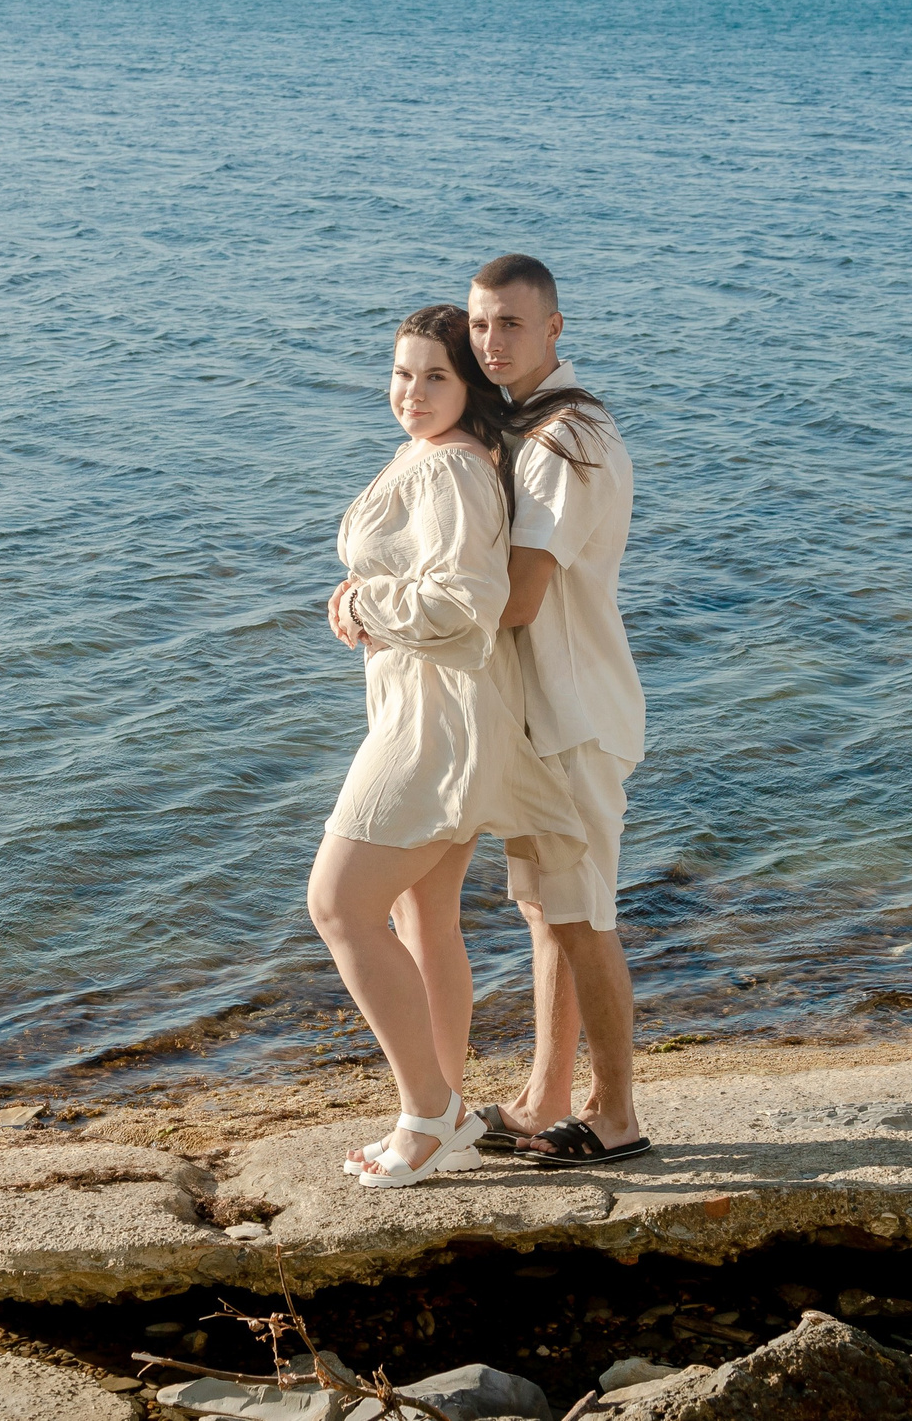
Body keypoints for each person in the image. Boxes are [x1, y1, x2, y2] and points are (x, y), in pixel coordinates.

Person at [312, 303, 586, 1188]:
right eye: (401, 373)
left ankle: (431, 1113)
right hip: (424, 707)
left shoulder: (454, 471)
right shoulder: (426, 454)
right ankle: (437, 1112)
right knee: (421, 916)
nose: (412, 392)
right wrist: (371, 596)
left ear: (469, 385)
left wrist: (364, 605)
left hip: (440, 722)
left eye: (435, 375)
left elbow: (468, 599)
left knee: (339, 904)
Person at [467, 254, 652, 1168]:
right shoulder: (524, 426)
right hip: (538, 715)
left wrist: (394, 610)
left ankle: (615, 1114)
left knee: (586, 917)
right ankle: (545, 1095)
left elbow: (520, 596)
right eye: (478, 325)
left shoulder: (564, 442)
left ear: (554, 329)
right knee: (546, 912)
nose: (490, 341)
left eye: (509, 323)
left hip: (575, 714)